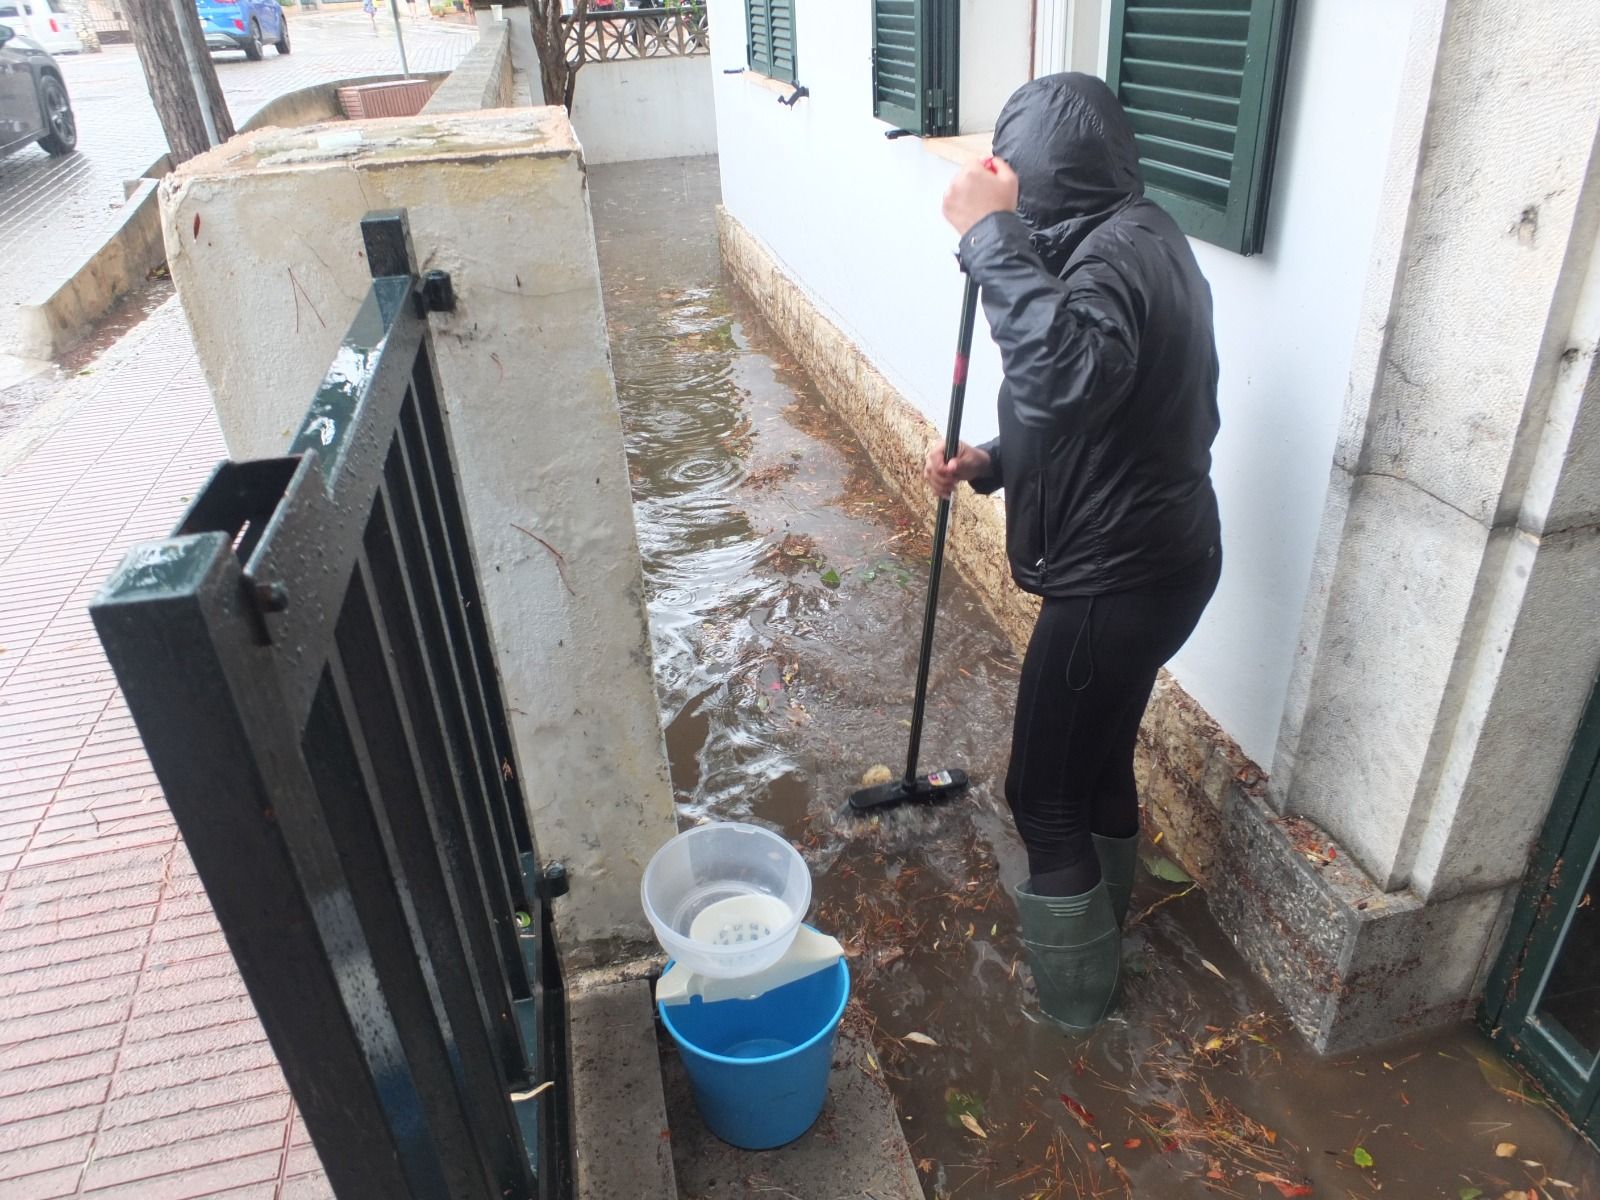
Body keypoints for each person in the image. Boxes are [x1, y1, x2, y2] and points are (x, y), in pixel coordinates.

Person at [928, 73, 1222, 1034]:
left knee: (1042, 795)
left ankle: (1076, 1027)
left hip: (1116, 578)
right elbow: (1105, 406)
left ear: (1041, 180)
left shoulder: (1103, 266)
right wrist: (991, 461)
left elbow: (1062, 371)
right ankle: (1108, 924)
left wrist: (988, 237)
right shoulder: (1146, 236)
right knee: (1097, 761)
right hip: (1168, 555)